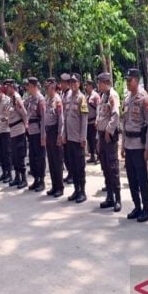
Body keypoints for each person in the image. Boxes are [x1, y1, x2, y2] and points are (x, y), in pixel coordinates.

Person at [122, 68, 148, 222]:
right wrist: (122, 146)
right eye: (126, 80)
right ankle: (137, 206)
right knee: (131, 178)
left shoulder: (143, 98)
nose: (127, 83)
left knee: (142, 178)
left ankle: (146, 208)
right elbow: (124, 122)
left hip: (139, 146)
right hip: (128, 144)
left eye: (130, 80)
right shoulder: (127, 99)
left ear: (137, 80)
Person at [96, 72, 122, 212]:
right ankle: (110, 196)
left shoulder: (113, 95)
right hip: (101, 136)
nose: (98, 85)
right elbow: (100, 116)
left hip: (109, 137)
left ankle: (117, 198)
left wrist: (108, 131)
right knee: (105, 167)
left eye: (100, 82)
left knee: (112, 167)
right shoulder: (103, 96)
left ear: (106, 82)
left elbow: (115, 115)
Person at [63, 73, 89, 203]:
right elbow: (65, 117)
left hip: (78, 138)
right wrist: (63, 134)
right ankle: (76, 189)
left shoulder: (82, 98)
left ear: (79, 83)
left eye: (75, 82)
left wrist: (83, 137)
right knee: (72, 165)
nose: (73, 84)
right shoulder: (67, 97)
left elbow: (84, 119)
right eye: (71, 82)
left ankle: (82, 191)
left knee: (79, 166)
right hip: (69, 138)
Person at [43, 77, 65, 197]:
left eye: (48, 87)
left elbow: (61, 120)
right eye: (45, 87)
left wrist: (59, 135)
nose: (46, 89)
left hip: (55, 131)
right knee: (51, 161)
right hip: (49, 132)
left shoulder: (57, 100)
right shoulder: (47, 99)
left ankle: (60, 187)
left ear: (53, 87)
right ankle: (54, 185)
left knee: (57, 161)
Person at [5, 80, 28, 189]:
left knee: (20, 156)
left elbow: (24, 114)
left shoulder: (17, 99)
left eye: (8, 87)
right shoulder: (11, 99)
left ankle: (23, 178)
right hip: (13, 131)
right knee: (14, 156)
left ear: (12, 87)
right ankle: (17, 177)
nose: (6, 89)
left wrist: (25, 127)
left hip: (19, 131)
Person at [26, 77, 47, 192]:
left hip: (39, 132)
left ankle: (42, 180)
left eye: (29, 86)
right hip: (31, 132)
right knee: (33, 157)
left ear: (34, 86)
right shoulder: (30, 99)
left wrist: (43, 135)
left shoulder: (40, 99)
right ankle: (36, 178)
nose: (28, 88)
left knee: (40, 157)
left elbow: (43, 118)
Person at [0, 84, 12, 183]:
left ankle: (9, 173)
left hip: (6, 130)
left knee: (7, 153)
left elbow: (11, 114)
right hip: (0, 130)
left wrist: (6, 118)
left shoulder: (7, 100)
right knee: (1, 153)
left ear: (2, 91)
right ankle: (4, 172)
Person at [60, 73, 74, 184]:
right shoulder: (62, 94)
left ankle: (73, 174)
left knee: (70, 154)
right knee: (66, 153)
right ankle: (70, 172)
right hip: (64, 128)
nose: (61, 84)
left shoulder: (70, 95)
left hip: (71, 129)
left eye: (63, 83)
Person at [85, 80, 101, 164]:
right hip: (87, 122)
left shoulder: (95, 96)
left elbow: (98, 108)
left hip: (93, 121)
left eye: (87, 85)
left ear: (91, 86)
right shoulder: (87, 96)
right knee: (89, 140)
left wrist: (97, 120)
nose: (86, 87)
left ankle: (98, 156)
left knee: (95, 140)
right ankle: (92, 156)